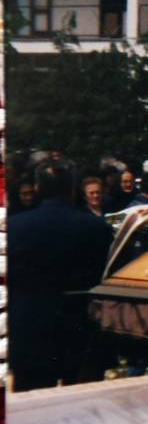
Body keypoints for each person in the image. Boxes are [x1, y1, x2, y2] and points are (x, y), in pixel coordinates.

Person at [8, 161, 115, 390]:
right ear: (71, 189)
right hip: (79, 327)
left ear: (37, 188)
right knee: (81, 406)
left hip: (29, 328)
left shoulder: (14, 226)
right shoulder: (96, 227)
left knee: (32, 406)